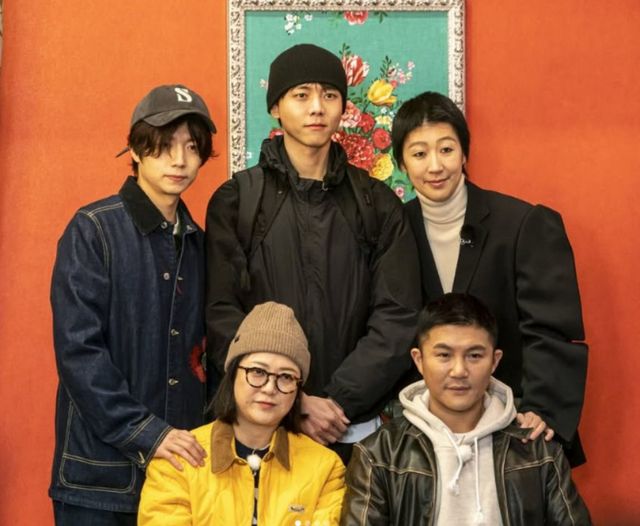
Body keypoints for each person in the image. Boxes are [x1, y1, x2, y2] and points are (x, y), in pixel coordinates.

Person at [205, 44, 421, 462]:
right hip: (260, 427)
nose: (317, 107)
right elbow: (222, 314)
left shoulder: (376, 203)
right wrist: (294, 399)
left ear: (343, 107)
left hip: (351, 427)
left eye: (329, 95)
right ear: (276, 107)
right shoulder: (238, 201)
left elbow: (397, 316)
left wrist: (336, 402)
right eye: (301, 95)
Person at [49, 84, 216, 525]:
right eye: (164, 145)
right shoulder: (93, 229)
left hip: (179, 479)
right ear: (137, 150)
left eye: (192, 147)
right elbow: (78, 351)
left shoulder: (200, 245)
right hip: (98, 480)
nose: (179, 160)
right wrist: (147, 432)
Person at [394, 91, 588, 465]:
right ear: (402, 162)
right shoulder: (393, 230)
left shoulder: (522, 224)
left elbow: (550, 328)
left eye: (446, 149)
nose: (435, 166)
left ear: (464, 154)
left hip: (514, 423)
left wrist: (540, 408)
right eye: (419, 153)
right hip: (425, 432)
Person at [341, 293, 591, 525]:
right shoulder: (379, 454)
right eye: (444, 355)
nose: (459, 371)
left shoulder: (538, 451)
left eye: (474, 356)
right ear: (419, 360)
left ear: (494, 361)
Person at [138, 301, 345, 525]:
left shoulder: (325, 467)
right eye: (258, 371)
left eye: (286, 376)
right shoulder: (179, 460)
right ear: (233, 374)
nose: (269, 388)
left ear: (298, 389)